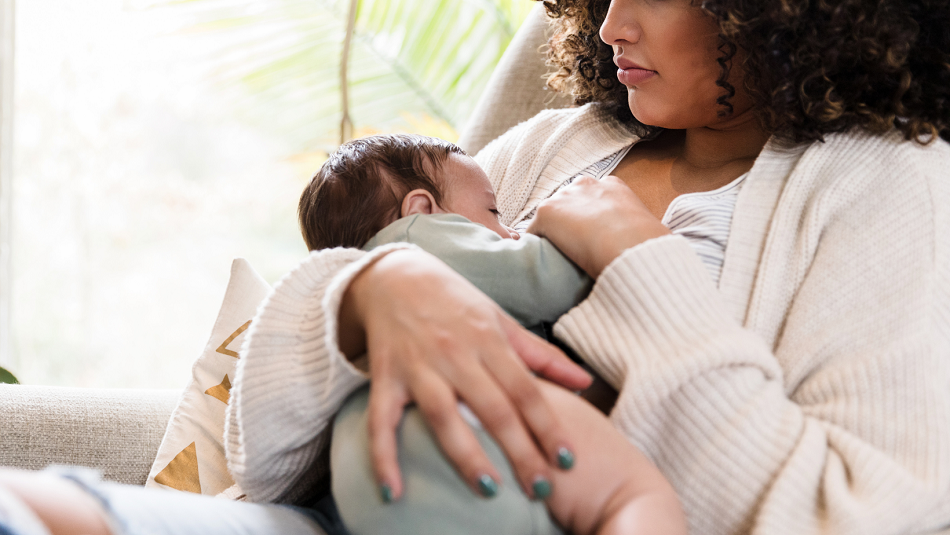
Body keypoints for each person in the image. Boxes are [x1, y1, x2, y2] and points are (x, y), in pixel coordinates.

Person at [2, 0, 949, 533]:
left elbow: (849, 516)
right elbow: (266, 452)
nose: (612, 22)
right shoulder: (556, 142)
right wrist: (375, 291)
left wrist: (636, 267)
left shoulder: (889, 185)